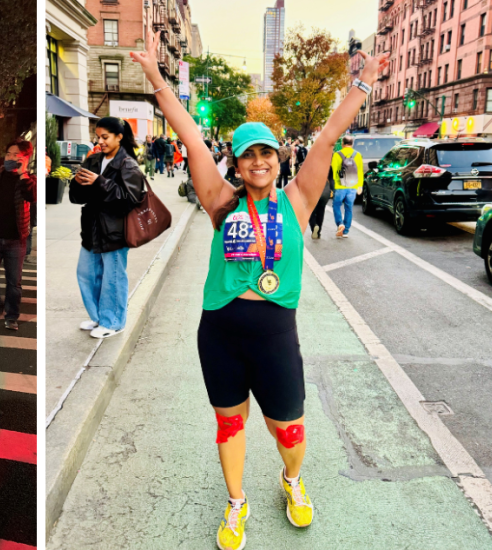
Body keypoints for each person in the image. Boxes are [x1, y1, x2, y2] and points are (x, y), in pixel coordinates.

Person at [132, 28, 389, 550]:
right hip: (220, 333)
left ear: (277, 159)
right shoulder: (220, 200)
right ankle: (236, 502)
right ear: (238, 160)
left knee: (288, 431)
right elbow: (188, 136)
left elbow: (325, 141)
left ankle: (291, 480)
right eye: (249, 154)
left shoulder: (297, 201)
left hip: (274, 335)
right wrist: (158, 78)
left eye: (267, 154)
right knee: (230, 425)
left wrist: (360, 87)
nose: (258, 162)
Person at [70, 117, 143, 339]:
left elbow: (131, 200)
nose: (100, 141)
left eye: (105, 137)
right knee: (87, 274)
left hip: (115, 231)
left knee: (112, 278)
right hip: (92, 229)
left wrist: (100, 182)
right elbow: (76, 197)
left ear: (119, 137)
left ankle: (113, 322)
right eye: (98, 136)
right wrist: (78, 182)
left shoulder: (127, 164)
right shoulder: (93, 160)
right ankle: (100, 317)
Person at [0, 140, 35, 331]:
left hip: (16, 240)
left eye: (16, 155)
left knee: (14, 282)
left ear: (25, 158)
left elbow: (32, 196)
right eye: (8, 154)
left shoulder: (29, 180)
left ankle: (11, 316)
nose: (10, 158)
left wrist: (23, 173)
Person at [330, 135, 363, 238]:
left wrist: (334, 184)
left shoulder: (337, 154)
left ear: (342, 144)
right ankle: (346, 231)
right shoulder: (357, 155)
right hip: (353, 186)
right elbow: (360, 172)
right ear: (352, 144)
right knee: (349, 208)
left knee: (336, 205)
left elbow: (334, 171)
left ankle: (340, 224)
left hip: (340, 186)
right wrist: (360, 186)